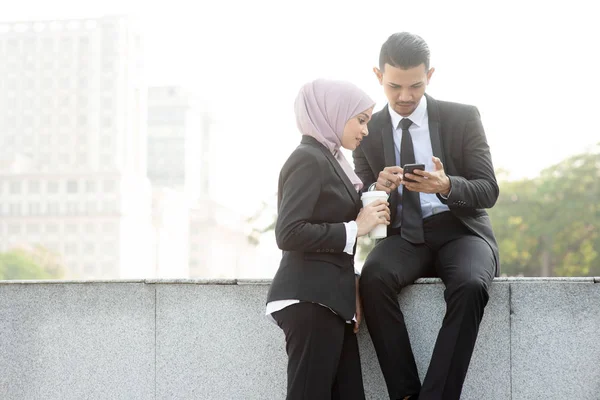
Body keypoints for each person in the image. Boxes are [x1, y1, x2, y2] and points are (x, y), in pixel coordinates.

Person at [353, 32, 500, 400]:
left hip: (462, 231)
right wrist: (378, 186)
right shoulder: (367, 131)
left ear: (430, 75)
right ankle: (404, 394)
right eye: (394, 86)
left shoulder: (462, 117)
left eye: (415, 86)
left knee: (469, 286)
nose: (405, 96)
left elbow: (488, 189)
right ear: (377, 75)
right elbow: (357, 196)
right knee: (373, 278)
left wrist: (447, 184)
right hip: (405, 235)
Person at [266, 78, 391, 400]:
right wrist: (356, 227)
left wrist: (351, 286)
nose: (365, 131)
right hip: (309, 297)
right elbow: (289, 232)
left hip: (332, 300)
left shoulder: (333, 160)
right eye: (361, 120)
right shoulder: (307, 158)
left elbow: (331, 214)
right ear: (333, 113)